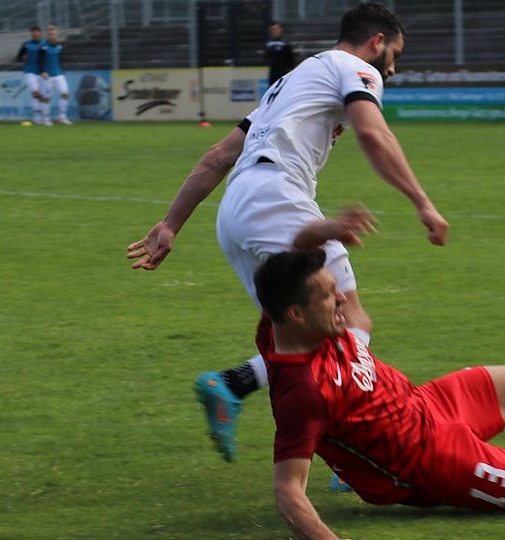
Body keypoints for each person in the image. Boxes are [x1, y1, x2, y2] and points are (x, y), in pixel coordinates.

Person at [126, 3, 450, 465]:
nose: (392, 68)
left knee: (303, 337)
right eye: (394, 55)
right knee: (352, 323)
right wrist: (423, 202)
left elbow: (218, 155)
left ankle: (242, 391)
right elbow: (374, 135)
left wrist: (171, 223)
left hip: (235, 211)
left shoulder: (290, 82)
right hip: (276, 198)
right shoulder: (355, 68)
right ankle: (356, 447)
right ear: (376, 42)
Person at [252, 217, 505, 539]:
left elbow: (297, 252)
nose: (342, 298)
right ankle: (495, 480)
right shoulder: (303, 392)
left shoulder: (281, 320)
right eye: (329, 296)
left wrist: (328, 230)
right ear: (297, 314)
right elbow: (288, 490)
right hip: (428, 462)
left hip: (426, 404)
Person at [39, 25, 72, 126]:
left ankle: (62, 117)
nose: (51, 34)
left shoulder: (59, 46)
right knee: (46, 97)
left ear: (56, 33)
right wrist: (43, 71)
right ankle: (46, 119)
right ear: (47, 34)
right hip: (48, 76)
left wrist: (62, 70)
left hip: (59, 74)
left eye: (53, 32)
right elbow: (40, 60)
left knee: (65, 93)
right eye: (49, 33)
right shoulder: (43, 46)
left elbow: (62, 59)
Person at [15, 26, 47, 125]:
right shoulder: (26, 44)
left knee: (37, 95)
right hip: (29, 71)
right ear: (31, 33)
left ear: (40, 33)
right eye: (33, 32)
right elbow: (18, 58)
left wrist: (44, 71)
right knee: (35, 92)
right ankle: (39, 114)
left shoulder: (44, 44)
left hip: (41, 73)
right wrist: (22, 58)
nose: (35, 34)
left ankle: (38, 116)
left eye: (37, 32)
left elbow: (44, 59)